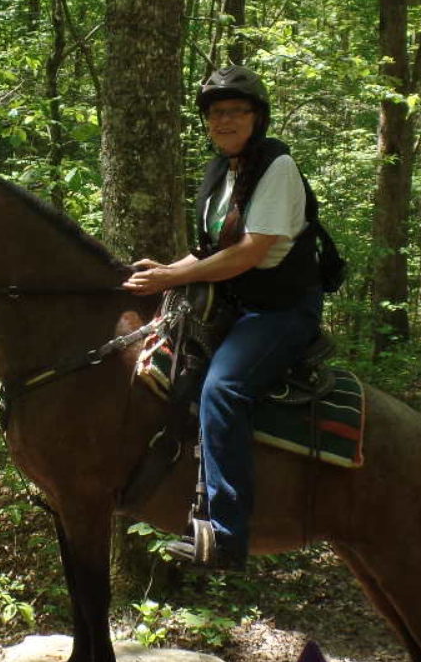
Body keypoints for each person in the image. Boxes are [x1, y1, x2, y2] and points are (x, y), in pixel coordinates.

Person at [124, 65, 326, 570]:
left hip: (281, 309)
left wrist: (171, 278)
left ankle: (228, 534)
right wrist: (163, 272)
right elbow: (211, 249)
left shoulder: (277, 166)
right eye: (216, 113)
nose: (225, 121)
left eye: (237, 111)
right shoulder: (222, 171)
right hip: (235, 304)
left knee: (223, 388)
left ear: (258, 118)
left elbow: (250, 252)